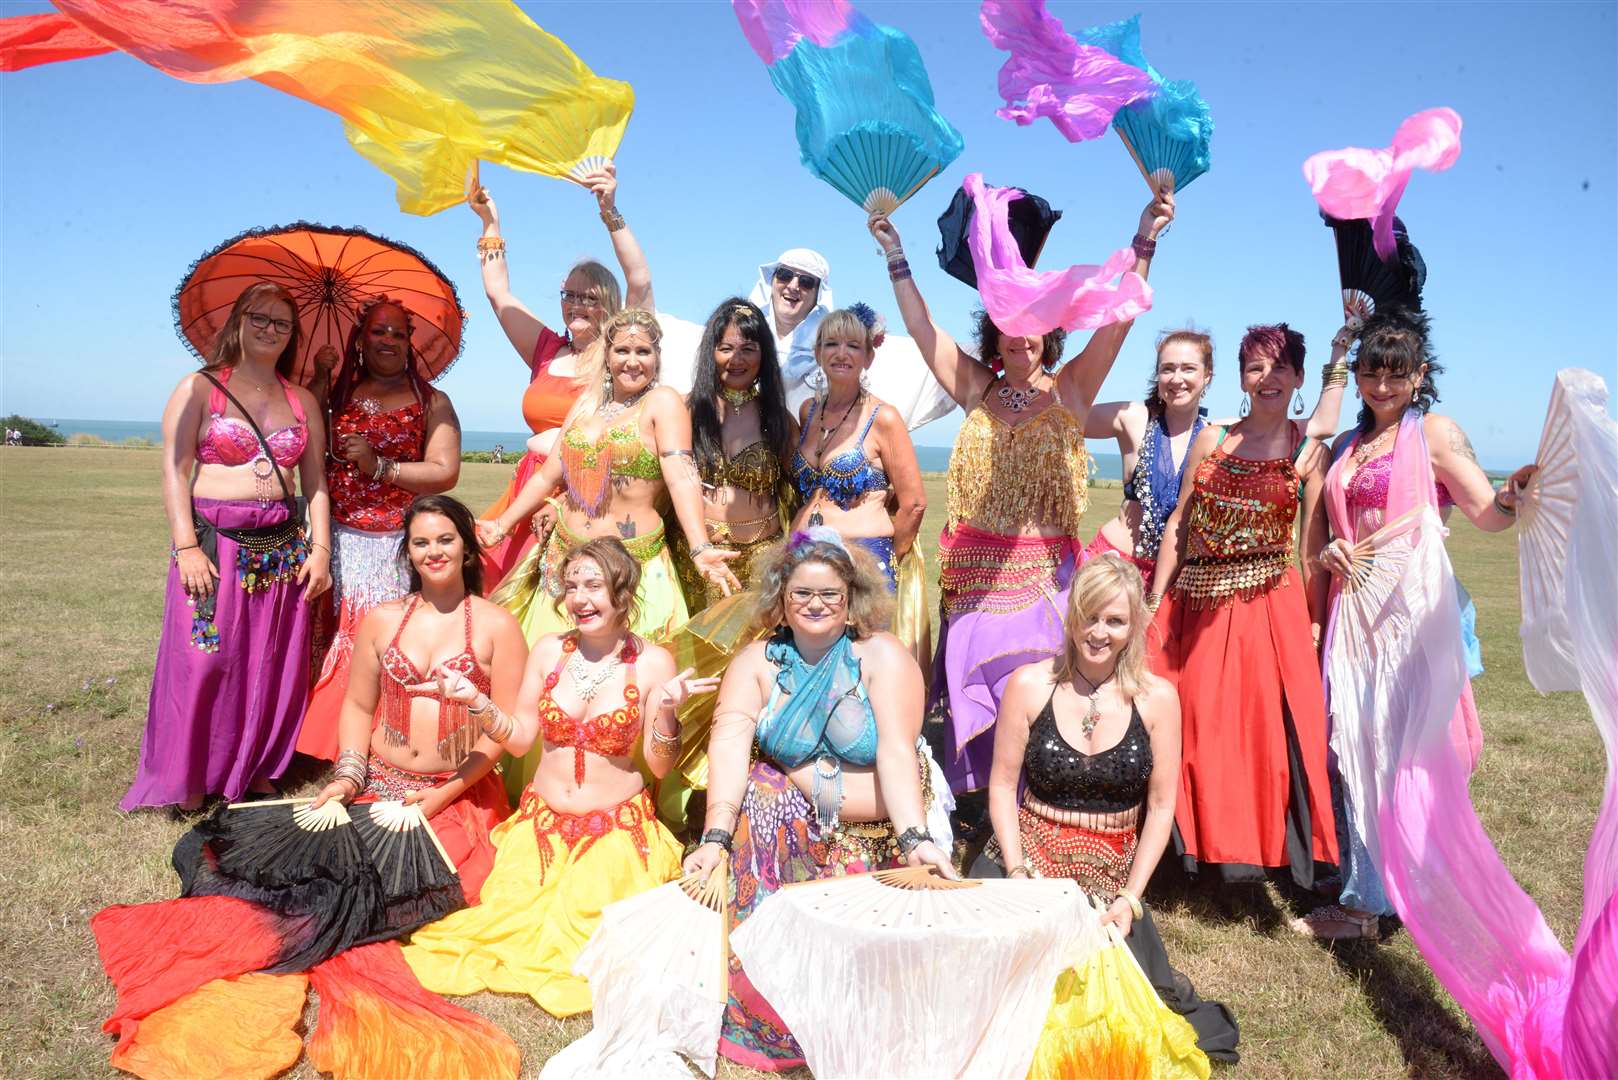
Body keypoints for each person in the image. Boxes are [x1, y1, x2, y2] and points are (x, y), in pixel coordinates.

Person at [868, 191, 1173, 840]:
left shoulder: (1070, 391)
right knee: (972, 706)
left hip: (1043, 583)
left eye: (1035, 327)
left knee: (1038, 702)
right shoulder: (975, 386)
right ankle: (983, 820)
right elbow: (924, 331)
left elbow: (1119, 320)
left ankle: (1044, 820)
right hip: (975, 581)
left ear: (1049, 334)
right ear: (997, 330)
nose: (1023, 339)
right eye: (1012, 325)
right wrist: (896, 256)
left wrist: (1145, 239)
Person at [402, 538, 717, 1016]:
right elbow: (522, 739)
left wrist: (668, 712)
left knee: (590, 933)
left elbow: (658, 765)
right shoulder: (549, 651)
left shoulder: (653, 662)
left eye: (594, 585)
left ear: (623, 591)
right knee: (503, 919)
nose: (579, 599)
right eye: (571, 587)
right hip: (541, 829)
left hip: (614, 833)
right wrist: (475, 701)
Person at [1299, 309, 1537, 940]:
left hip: (1410, 618)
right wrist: (1327, 555)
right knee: (1348, 743)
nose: (1381, 386)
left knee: (1402, 749)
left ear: (1419, 375)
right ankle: (1368, 883)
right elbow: (1326, 533)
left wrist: (1513, 495)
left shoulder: (1433, 433)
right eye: (1371, 373)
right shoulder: (1346, 446)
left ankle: (1372, 902)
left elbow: (1487, 514)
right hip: (1354, 616)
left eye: (1395, 374)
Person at [683, 529, 955, 1071]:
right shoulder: (758, 661)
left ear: (851, 600)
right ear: (781, 598)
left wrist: (915, 839)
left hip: (878, 827)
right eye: (801, 592)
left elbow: (897, 754)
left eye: (829, 593)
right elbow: (730, 740)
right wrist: (714, 837)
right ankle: (768, 988)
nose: (815, 604)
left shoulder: (879, 656)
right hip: (791, 835)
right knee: (763, 789)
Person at [477, 309, 740, 815]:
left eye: (644, 351)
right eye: (623, 350)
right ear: (607, 354)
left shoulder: (664, 403)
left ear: (658, 357)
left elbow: (681, 474)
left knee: (629, 686)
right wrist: (505, 521)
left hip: (635, 572)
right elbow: (550, 473)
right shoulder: (586, 403)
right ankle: (542, 796)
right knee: (555, 682)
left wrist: (702, 547)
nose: (632, 361)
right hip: (566, 568)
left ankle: (625, 801)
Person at [978, 555, 1239, 1060]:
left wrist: (1131, 899)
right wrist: (1014, 871)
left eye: (1115, 621)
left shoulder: (1158, 699)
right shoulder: (1030, 686)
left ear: (1134, 626)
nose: (1098, 632)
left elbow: (1162, 807)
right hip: (1027, 858)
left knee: (1123, 1025)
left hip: (1109, 875)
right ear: (1071, 615)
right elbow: (1002, 786)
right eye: (1089, 616)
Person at [123, 282, 331, 811]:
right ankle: (190, 777)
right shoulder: (199, 388)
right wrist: (186, 546)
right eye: (259, 317)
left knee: (269, 658)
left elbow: (317, 484)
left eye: (281, 323)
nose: (269, 329)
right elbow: (175, 469)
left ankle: (256, 766)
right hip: (214, 545)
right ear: (238, 320)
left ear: (292, 335)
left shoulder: (301, 399)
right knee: (204, 660)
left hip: (282, 549)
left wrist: (322, 550)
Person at [1147, 323, 1339, 888]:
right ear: (1240, 378)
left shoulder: (1309, 453)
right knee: (1199, 723)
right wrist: (1157, 600)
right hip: (1200, 600)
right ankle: (1195, 850)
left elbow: (1309, 551)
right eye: (1256, 367)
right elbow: (1181, 523)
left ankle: (1252, 854)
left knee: (1255, 732)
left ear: (1298, 378)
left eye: (1279, 367)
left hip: (1267, 607)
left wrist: (1312, 620)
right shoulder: (1213, 440)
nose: (1267, 378)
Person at [309, 495, 524, 898]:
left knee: (427, 893)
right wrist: (349, 777)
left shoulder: (499, 627)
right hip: (378, 784)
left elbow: (503, 731)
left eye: (446, 540)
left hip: (459, 792)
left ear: (467, 548)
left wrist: (444, 795)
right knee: (330, 883)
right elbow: (357, 706)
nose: (434, 552)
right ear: (407, 552)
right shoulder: (381, 619)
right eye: (421, 543)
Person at [470, 167, 653, 588]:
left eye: (588, 296)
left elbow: (640, 279)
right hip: (528, 484)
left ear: (609, 302)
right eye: (568, 294)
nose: (575, 304)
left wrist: (610, 211)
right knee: (503, 596)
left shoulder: (618, 356)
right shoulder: (548, 349)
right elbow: (499, 295)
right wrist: (490, 224)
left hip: (583, 493)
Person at [297, 299, 463, 761]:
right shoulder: (336, 394)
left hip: (397, 545)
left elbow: (445, 471)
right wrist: (321, 377)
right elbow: (304, 435)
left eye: (397, 334)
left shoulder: (433, 400)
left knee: (390, 641)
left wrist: (380, 466)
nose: (388, 341)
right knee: (334, 636)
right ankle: (324, 742)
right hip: (339, 539)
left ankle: (389, 740)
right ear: (359, 339)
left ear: (410, 343)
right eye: (377, 332)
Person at [1083, 324, 1353, 585]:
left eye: (1188, 368)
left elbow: (1323, 424)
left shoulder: (1219, 435)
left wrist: (1339, 349)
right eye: (1167, 369)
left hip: (1177, 579)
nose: (1177, 378)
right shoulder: (1132, 417)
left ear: (1207, 375)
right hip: (1115, 566)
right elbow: (1065, 413)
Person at [789, 308, 926, 592]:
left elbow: (913, 504)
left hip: (862, 560)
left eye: (853, 346)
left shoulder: (883, 417)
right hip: (802, 558)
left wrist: (884, 558)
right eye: (831, 344)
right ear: (818, 353)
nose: (841, 353)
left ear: (868, 357)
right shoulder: (809, 412)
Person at [678, 296, 799, 609]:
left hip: (762, 562)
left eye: (748, 348)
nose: (736, 359)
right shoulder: (684, 410)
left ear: (764, 356)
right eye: (726, 348)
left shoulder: (778, 420)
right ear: (711, 352)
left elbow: (807, 487)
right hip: (697, 561)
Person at [749, 248, 954, 428]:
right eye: (785, 275)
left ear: (818, 293)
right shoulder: (744, 335)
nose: (793, 286)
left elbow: (923, 346)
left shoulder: (840, 343)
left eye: (806, 282)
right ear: (772, 280)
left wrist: (894, 252)